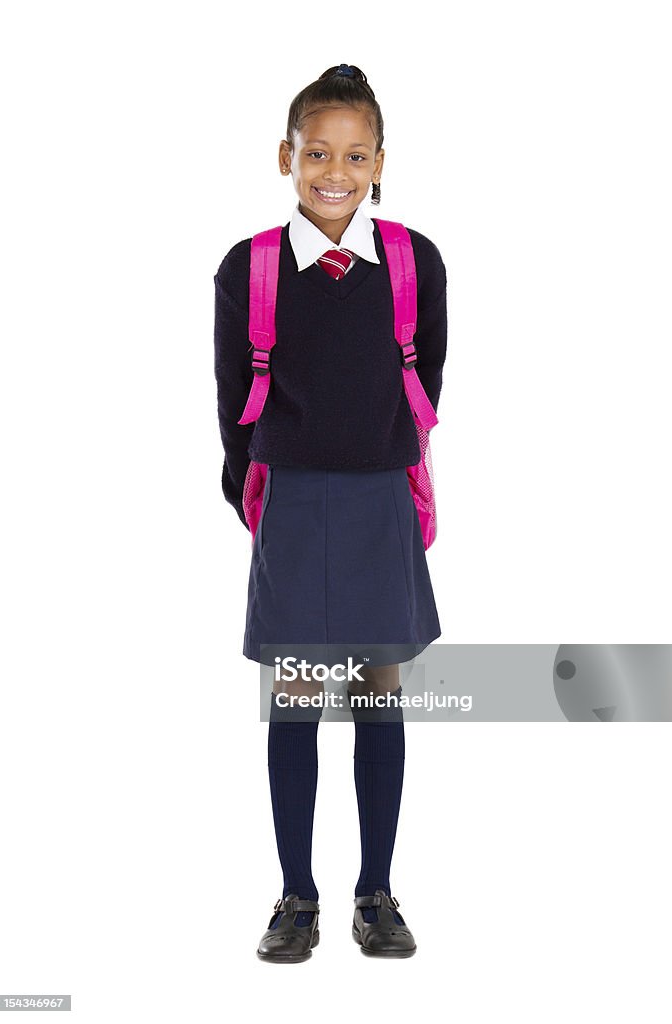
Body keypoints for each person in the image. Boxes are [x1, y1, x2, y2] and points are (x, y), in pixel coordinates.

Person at [213, 63, 448, 962]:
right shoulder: (253, 267)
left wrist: (388, 465)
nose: (333, 172)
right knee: (295, 704)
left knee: (378, 700)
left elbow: (425, 382)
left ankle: (377, 893)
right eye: (316, 152)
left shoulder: (413, 261)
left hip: (380, 496)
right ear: (287, 156)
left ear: (380, 160)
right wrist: (258, 493)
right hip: (293, 501)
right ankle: (295, 896)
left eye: (354, 154)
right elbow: (232, 397)